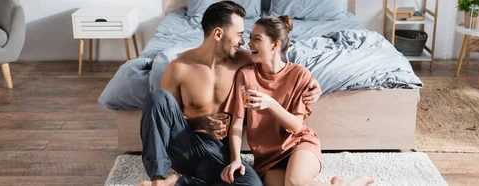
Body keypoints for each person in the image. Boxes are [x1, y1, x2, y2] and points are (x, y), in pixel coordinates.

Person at [137, 1, 323, 186]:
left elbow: (278, 60)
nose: (244, 42)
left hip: (218, 151)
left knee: (253, 185)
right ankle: (158, 180)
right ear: (218, 33)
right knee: (157, 97)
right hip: (184, 145)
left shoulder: (243, 60)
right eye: (240, 35)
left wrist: (314, 84)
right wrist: (200, 122)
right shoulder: (179, 68)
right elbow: (166, 120)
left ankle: (180, 183)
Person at [219, 15, 374, 186]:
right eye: (250, 38)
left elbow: (296, 126)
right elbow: (236, 124)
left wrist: (270, 103)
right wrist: (235, 159)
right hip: (268, 158)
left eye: (257, 39)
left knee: (295, 182)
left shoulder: (299, 74)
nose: (249, 44)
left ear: (275, 44)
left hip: (298, 143)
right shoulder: (245, 75)